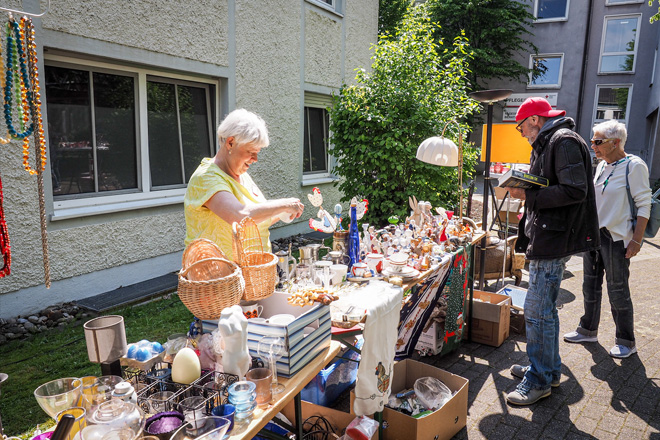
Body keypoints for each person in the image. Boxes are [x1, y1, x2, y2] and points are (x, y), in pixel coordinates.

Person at [503, 97, 600, 405]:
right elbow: (553, 185)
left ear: (534, 120)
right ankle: (548, 370)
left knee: (538, 312)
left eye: (520, 127)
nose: (520, 134)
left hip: (553, 240)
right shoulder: (553, 141)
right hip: (549, 237)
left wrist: (527, 195)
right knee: (544, 311)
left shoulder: (563, 140)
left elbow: (575, 189)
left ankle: (540, 379)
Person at [563, 120, 652, 359]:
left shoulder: (634, 166)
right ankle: (588, 329)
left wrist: (636, 240)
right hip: (595, 235)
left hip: (617, 237)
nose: (592, 145)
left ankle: (626, 340)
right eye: (593, 140)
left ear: (615, 142)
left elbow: (645, 205)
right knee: (589, 286)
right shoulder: (602, 165)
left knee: (618, 290)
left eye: (597, 141)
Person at [184, 109, 305, 259]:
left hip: (254, 274)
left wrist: (282, 213)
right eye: (251, 151)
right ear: (230, 142)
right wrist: (284, 204)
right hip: (219, 278)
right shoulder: (205, 178)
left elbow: (255, 220)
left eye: (258, 152)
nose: (255, 159)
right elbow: (240, 216)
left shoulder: (242, 175)